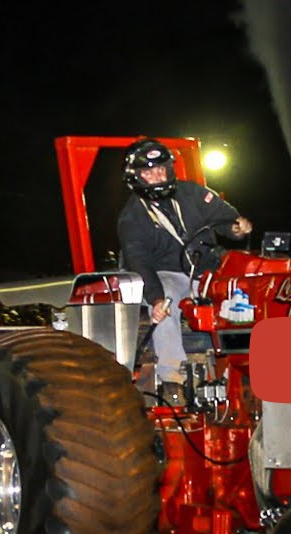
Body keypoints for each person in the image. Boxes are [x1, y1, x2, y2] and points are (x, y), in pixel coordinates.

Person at [117, 137, 253, 388]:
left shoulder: (192, 192)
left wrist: (237, 227)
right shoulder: (132, 218)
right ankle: (174, 375)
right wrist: (156, 298)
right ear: (136, 176)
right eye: (149, 172)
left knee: (247, 290)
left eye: (161, 169)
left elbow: (225, 218)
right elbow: (139, 263)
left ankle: (244, 368)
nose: (157, 176)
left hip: (208, 269)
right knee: (166, 301)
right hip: (169, 274)